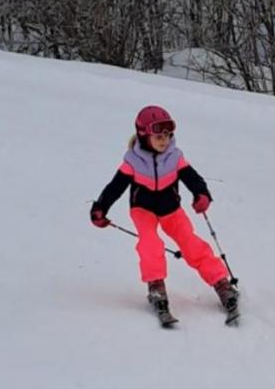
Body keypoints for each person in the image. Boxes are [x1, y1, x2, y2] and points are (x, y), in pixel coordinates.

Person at [90, 105, 238, 318]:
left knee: (191, 243)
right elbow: (114, 187)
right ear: (143, 135)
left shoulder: (175, 157)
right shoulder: (132, 162)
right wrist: (100, 208)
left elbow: (192, 178)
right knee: (150, 243)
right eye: (158, 136)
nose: (164, 140)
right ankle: (156, 286)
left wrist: (201, 194)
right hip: (143, 209)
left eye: (168, 135)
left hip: (171, 209)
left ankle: (221, 283)